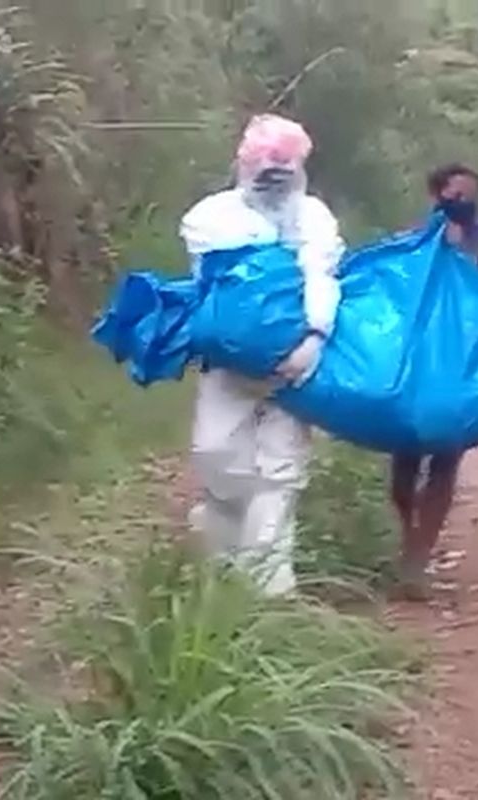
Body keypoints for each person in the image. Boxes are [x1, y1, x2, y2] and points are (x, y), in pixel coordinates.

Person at [181, 114, 343, 597]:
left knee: (281, 470)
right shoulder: (210, 215)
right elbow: (222, 282)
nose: (273, 180)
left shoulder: (313, 216)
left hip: (296, 362)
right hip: (229, 364)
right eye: (265, 168)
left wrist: (314, 334)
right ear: (243, 165)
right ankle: (226, 552)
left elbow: (321, 271)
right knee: (213, 453)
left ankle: (270, 586)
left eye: (283, 169)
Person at [390, 163, 478, 600]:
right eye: (456, 195)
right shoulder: (411, 241)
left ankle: (418, 556)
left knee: (445, 461)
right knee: (403, 465)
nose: (464, 203)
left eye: (471, 195)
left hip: (461, 366)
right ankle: (407, 534)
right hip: (415, 367)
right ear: (436, 196)